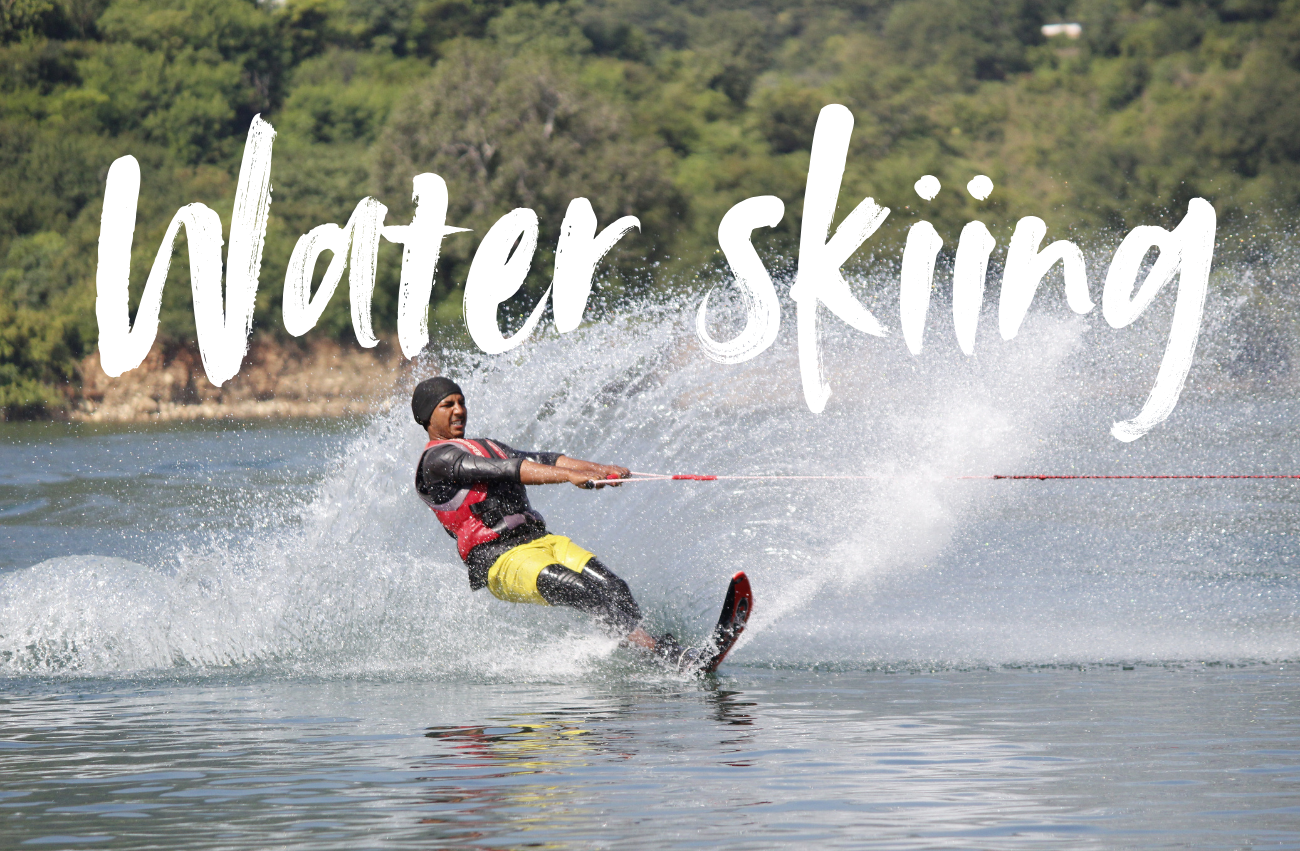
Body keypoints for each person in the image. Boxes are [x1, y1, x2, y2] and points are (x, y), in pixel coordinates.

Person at [412, 376, 687, 661]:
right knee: (580, 589)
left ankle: (648, 651)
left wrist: (600, 469)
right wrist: (570, 477)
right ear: (427, 416)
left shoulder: (485, 445)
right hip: (499, 559)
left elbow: (544, 459)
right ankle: (665, 655)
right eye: (447, 405)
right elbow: (507, 469)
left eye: (461, 402)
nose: (458, 410)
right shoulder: (437, 460)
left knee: (614, 588)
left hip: (542, 541)